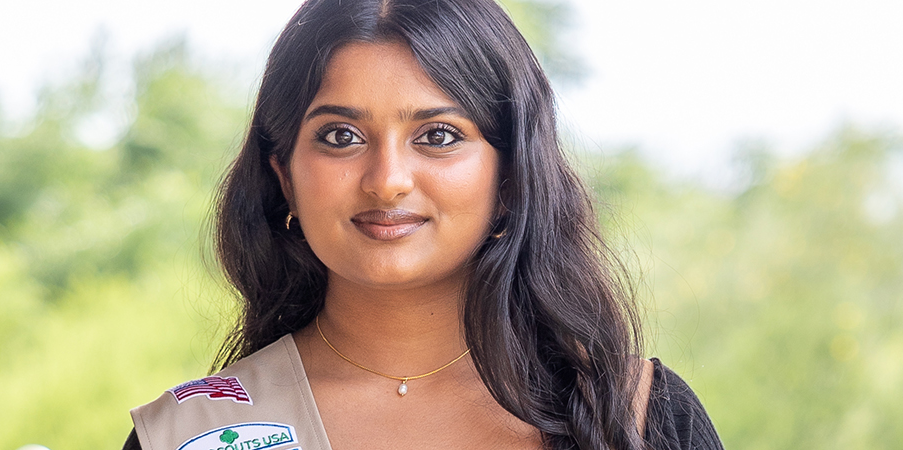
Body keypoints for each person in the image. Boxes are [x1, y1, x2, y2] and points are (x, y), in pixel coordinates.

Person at [122, 0, 723, 449]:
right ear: (285, 178)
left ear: (512, 174)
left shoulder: (635, 416)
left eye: (437, 136)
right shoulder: (192, 432)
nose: (387, 180)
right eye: (341, 136)